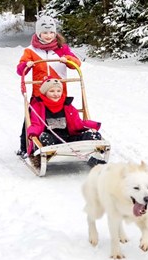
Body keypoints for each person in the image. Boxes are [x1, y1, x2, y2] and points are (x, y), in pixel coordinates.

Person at [16, 15, 82, 156]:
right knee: (33, 117)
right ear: (38, 33)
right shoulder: (30, 51)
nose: (48, 35)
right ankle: (25, 146)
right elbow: (20, 70)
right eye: (45, 32)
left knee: (66, 116)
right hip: (39, 93)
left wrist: (68, 59)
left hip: (59, 91)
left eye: (51, 32)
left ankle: (71, 139)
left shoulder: (62, 48)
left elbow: (77, 63)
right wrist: (26, 65)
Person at [26, 77, 103, 166]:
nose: (56, 94)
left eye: (58, 91)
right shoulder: (38, 106)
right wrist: (32, 134)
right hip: (52, 139)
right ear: (45, 92)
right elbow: (36, 124)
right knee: (45, 137)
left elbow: (77, 123)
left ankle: (92, 150)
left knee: (89, 136)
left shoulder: (67, 105)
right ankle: (48, 152)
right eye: (52, 91)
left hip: (69, 137)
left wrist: (92, 125)